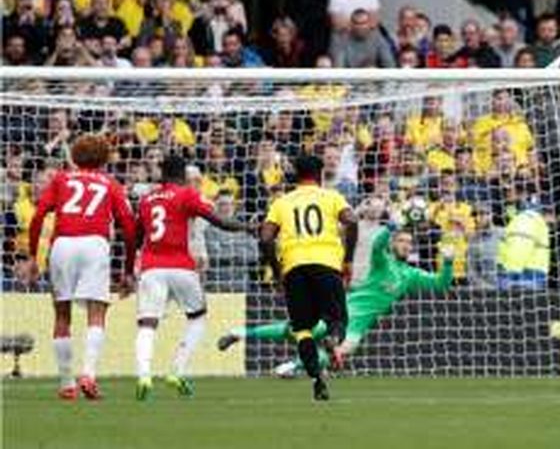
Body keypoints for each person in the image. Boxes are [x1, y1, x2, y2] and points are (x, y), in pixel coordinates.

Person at [217, 223, 454, 377]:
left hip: (358, 325)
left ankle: (292, 366)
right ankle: (239, 333)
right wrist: (389, 225)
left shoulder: (411, 275)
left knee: (340, 351)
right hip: (340, 312)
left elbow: (440, 284)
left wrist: (449, 262)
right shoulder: (383, 263)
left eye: (409, 242)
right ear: (394, 244)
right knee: (298, 331)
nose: (405, 245)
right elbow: (378, 244)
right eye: (401, 241)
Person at [27, 134, 137, 400]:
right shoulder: (110, 183)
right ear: (104, 158)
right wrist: (129, 268)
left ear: (75, 156)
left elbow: (39, 215)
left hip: (62, 244)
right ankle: (88, 374)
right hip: (95, 246)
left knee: (62, 315)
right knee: (96, 313)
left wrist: (33, 256)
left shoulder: (62, 179)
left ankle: (66, 384)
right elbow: (129, 226)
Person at [134, 155, 254, 401]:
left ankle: (144, 375)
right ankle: (177, 371)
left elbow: (137, 237)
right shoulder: (187, 195)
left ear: (161, 174)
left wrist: (127, 268)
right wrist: (247, 227)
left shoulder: (146, 200)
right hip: (181, 267)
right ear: (183, 176)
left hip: (151, 267)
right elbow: (218, 221)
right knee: (197, 318)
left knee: (148, 324)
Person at [259, 154, 358, 401]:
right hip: (326, 265)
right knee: (338, 319)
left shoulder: (281, 202)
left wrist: (278, 269)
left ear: (296, 176)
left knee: (302, 329)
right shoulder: (332, 197)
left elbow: (266, 238)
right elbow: (352, 221)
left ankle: (317, 380)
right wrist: (348, 260)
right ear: (320, 174)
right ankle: (333, 338)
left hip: (294, 268)